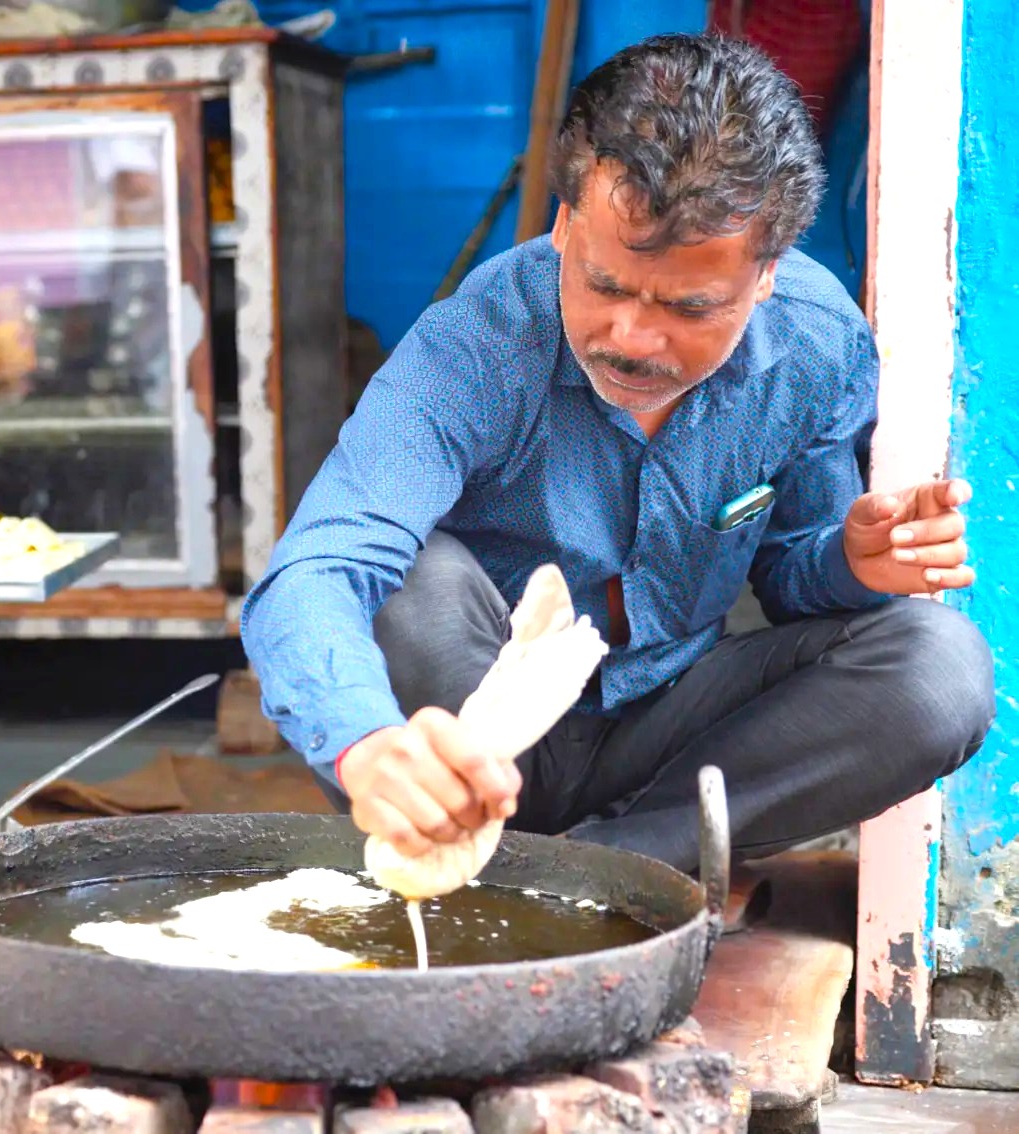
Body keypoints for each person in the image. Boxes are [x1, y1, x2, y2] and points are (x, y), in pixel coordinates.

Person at [240, 33, 995, 874]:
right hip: (484, 731)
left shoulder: (818, 348)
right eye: (605, 286)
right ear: (566, 224)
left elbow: (790, 582)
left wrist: (854, 564)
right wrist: (365, 745)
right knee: (411, 580)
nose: (632, 338)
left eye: (690, 306)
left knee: (938, 669)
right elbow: (315, 569)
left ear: (768, 272)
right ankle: (498, 849)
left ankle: (605, 869)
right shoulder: (473, 349)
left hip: (671, 732)